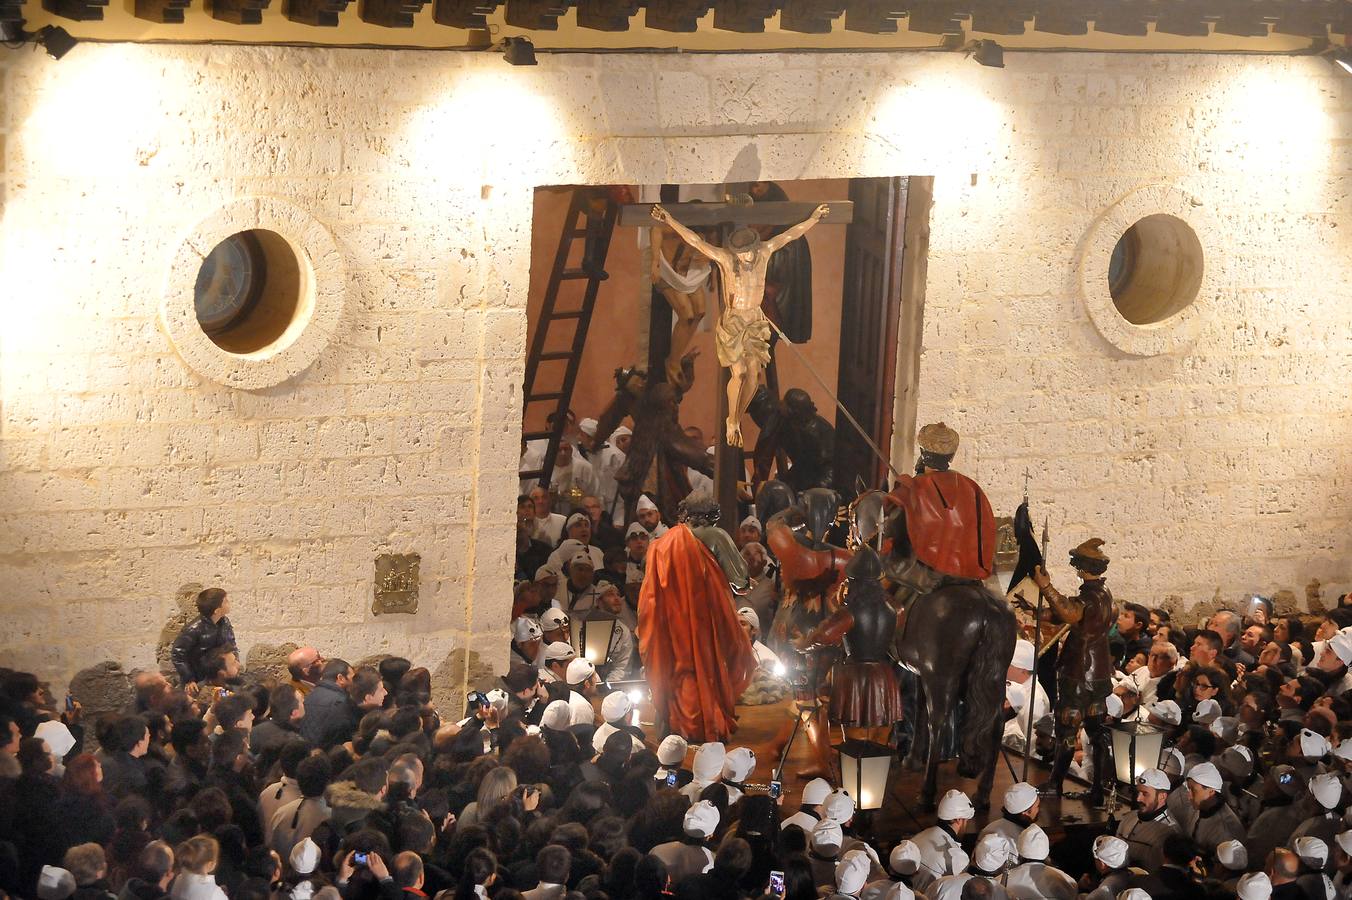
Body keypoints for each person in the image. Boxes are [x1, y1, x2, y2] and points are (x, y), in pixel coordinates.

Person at [650, 201, 830, 447]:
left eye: (746, 252)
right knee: (740, 372)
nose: (743, 257)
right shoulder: (726, 259)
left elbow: (790, 235)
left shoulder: (764, 252)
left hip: (754, 319)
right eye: (740, 252)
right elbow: (694, 241)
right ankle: (731, 422)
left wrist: (814, 219)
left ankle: (734, 417)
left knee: (754, 378)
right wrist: (669, 219)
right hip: (734, 321)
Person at [637, 494, 756, 742]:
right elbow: (741, 581)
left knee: (679, 666)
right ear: (713, 515)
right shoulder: (716, 535)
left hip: (671, 621)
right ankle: (709, 721)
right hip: (707, 619)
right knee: (709, 665)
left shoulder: (663, 542)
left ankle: (674, 723)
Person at [1031, 538, 1114, 803]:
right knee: (1096, 730)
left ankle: (1056, 784)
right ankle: (1098, 789)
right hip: (1098, 672)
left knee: (1067, 729)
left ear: (1082, 567)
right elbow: (1073, 614)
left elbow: (1069, 612)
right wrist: (1038, 613)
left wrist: (1046, 587)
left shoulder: (1091, 596)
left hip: (1079, 672)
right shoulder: (1103, 594)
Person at [169, 588, 236, 691]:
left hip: (220, 676)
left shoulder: (224, 622)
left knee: (226, 697)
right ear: (217, 610)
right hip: (200, 678)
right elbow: (177, 654)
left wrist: (233, 663)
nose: (229, 603)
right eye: (226, 601)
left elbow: (231, 644)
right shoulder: (194, 629)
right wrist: (189, 679)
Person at [1117, 767, 1180, 870]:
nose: (1138, 798)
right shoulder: (1128, 817)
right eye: (1138, 792)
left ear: (1162, 796)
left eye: (1145, 794)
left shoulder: (1169, 831)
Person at [912, 789, 975, 891]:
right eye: (966, 820)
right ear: (959, 819)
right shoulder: (958, 858)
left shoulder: (919, 836)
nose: (966, 824)